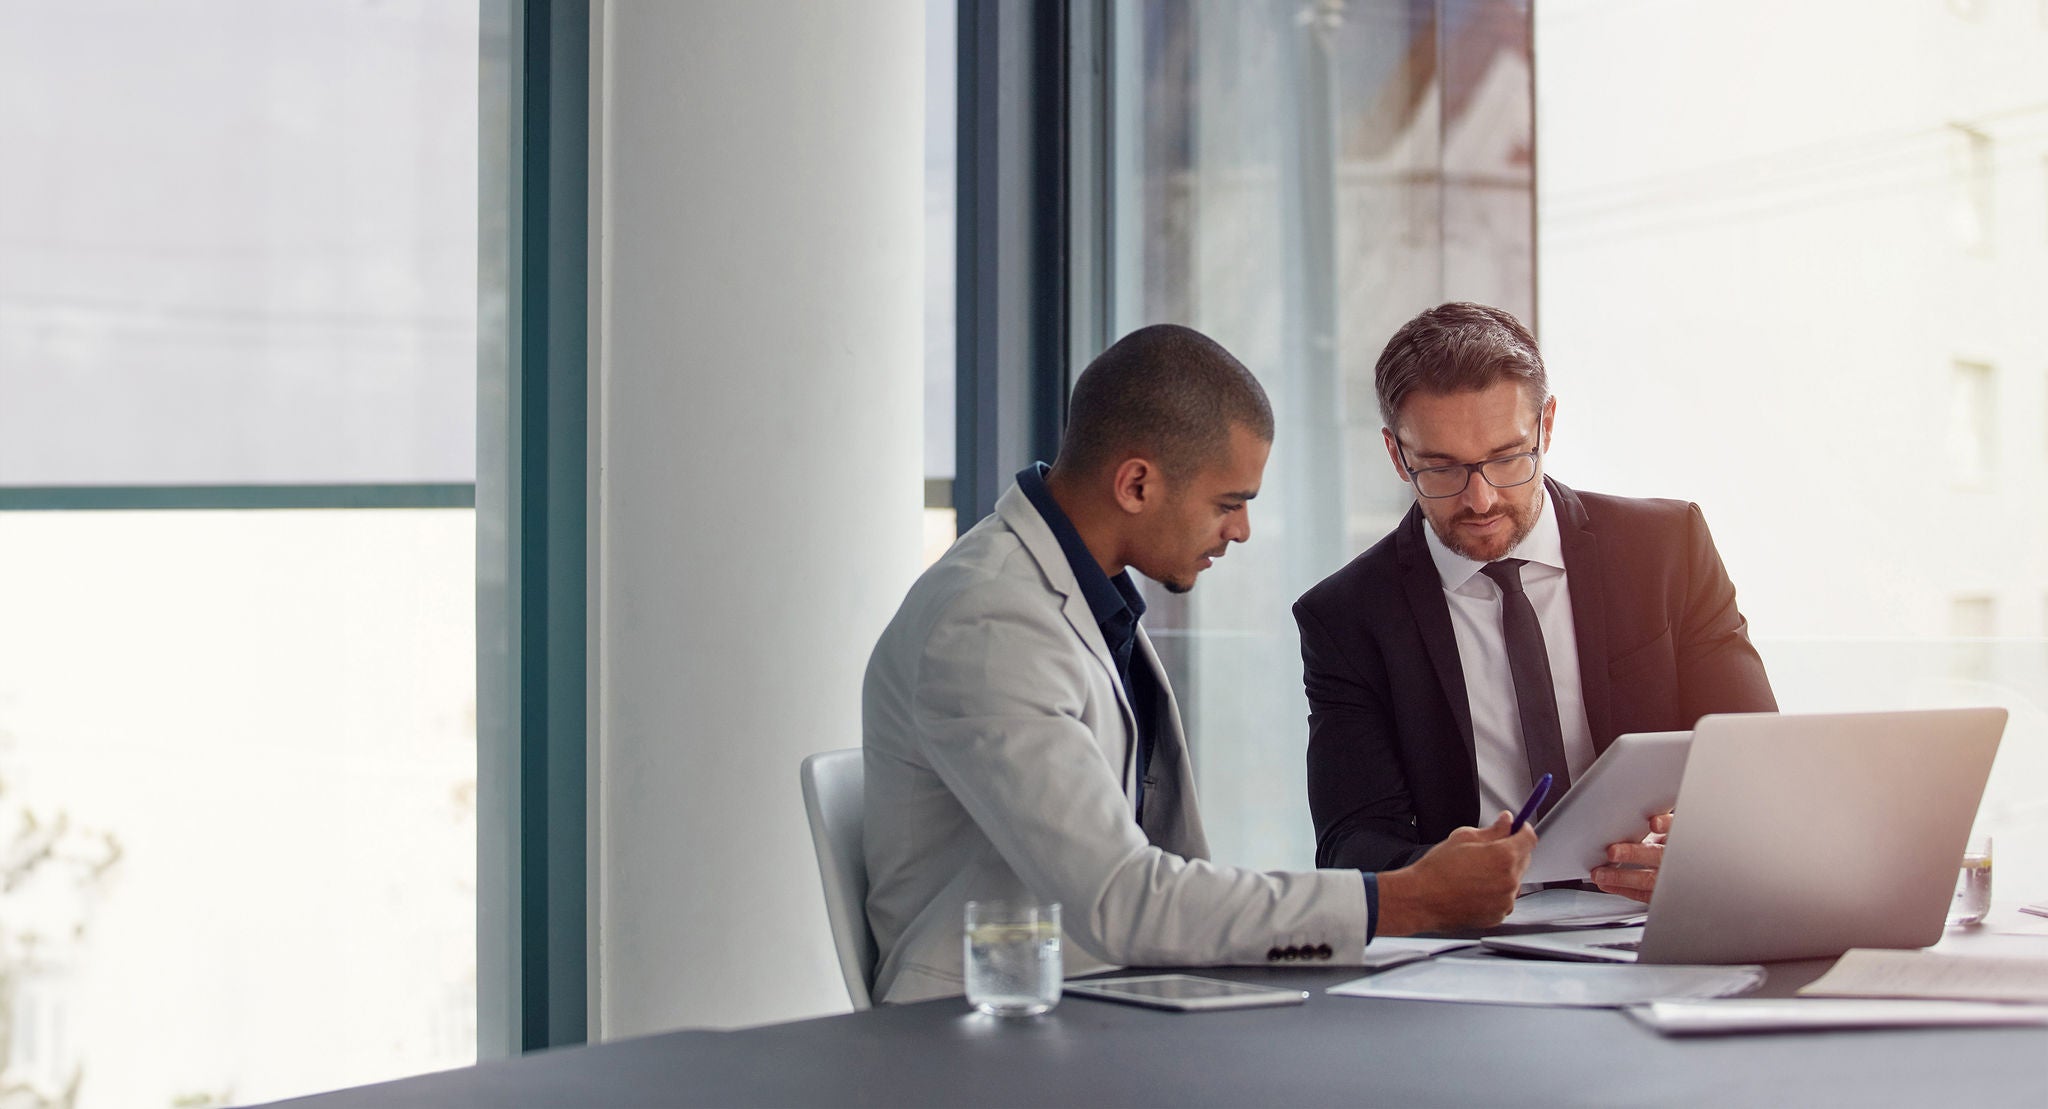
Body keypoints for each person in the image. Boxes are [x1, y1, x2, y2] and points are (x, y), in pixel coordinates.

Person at [863, 323, 1534, 1004]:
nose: (1240, 530)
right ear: (1136, 484)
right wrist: (1403, 899)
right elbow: (1123, 898)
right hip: (986, 1035)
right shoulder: (990, 622)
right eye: (1228, 503)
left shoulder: (1083, 598)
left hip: (1103, 1002)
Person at [1294, 302, 1777, 904]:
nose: (1480, 499)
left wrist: (1706, 846)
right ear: (1397, 455)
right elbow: (1351, 841)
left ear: (1546, 426)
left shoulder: (1666, 548)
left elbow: (1761, 762)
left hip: (1661, 916)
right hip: (1478, 941)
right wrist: (1440, 877)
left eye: (1506, 457)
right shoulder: (1346, 617)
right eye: (1441, 469)